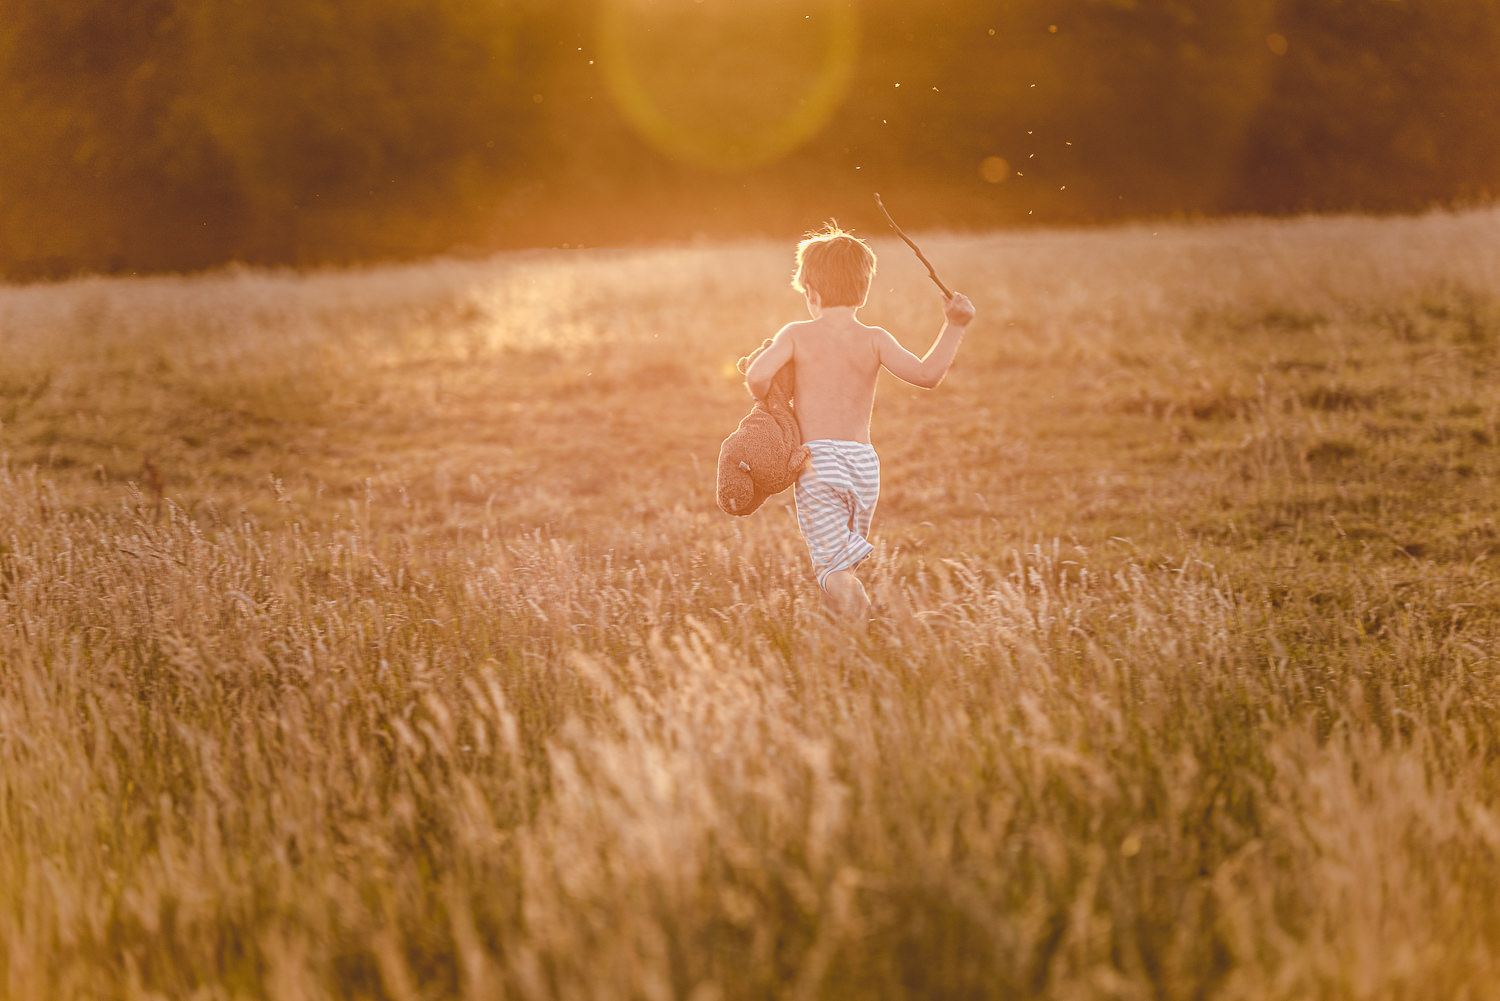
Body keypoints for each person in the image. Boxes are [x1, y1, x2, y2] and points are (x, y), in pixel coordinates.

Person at [744, 224, 976, 620]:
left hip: (818, 464)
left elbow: (755, 377)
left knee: (832, 568)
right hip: (864, 464)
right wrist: (954, 326)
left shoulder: (797, 334)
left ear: (811, 292)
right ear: (863, 290)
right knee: (843, 562)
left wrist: (767, 385)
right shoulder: (876, 338)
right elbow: (927, 375)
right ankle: (847, 637)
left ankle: (867, 629)